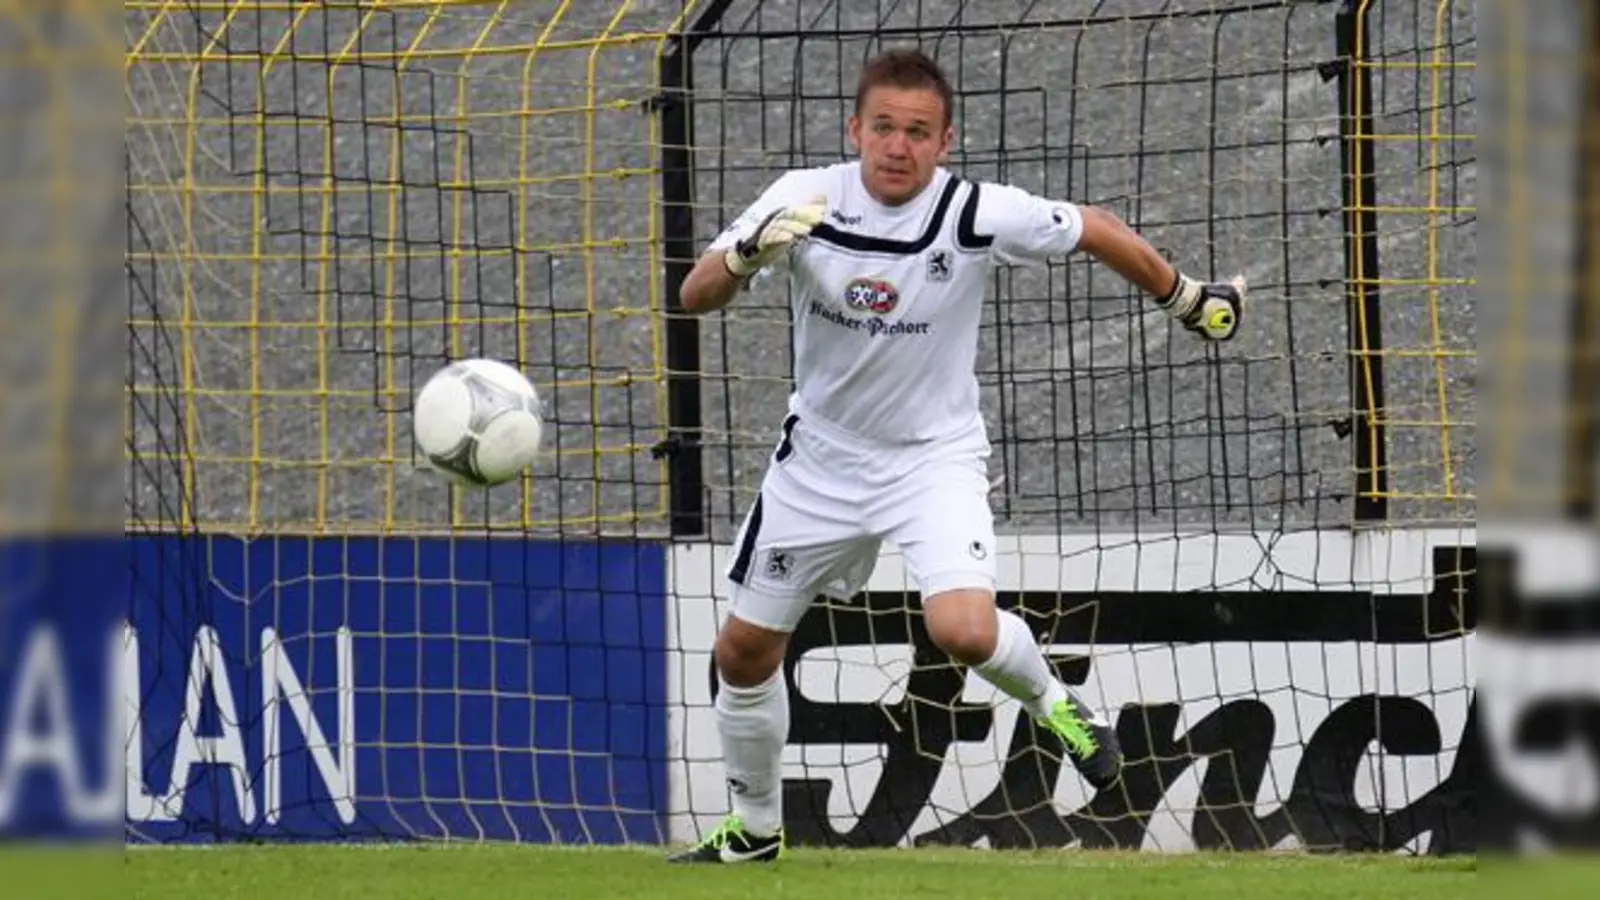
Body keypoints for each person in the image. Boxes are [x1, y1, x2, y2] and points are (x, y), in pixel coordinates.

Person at [666, 48, 1245, 865]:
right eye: (883, 129)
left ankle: (1058, 706)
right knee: (743, 652)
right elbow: (695, 296)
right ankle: (755, 831)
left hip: (931, 461)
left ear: (944, 142)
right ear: (854, 130)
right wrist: (746, 253)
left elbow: (1095, 228)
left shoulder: (972, 210)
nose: (897, 147)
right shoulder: (802, 199)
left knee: (963, 631)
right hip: (821, 466)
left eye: (917, 132)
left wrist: (1186, 298)